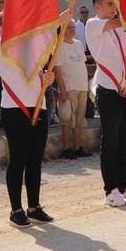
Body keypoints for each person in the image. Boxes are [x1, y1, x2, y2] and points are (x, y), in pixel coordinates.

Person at [86, 0, 126, 207]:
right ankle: (110, 190)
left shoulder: (120, 28)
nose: (114, 8)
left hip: (125, 88)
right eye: (110, 4)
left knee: (124, 139)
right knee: (109, 141)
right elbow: (118, 23)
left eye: (115, 4)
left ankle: (123, 186)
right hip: (107, 89)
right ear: (98, 6)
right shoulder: (93, 24)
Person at [0, 35, 57, 226]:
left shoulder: (32, 46)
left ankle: (34, 207)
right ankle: (16, 210)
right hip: (15, 107)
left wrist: (47, 78)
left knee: (35, 159)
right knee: (18, 159)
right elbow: (19, 71)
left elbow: (36, 72)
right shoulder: (1, 45)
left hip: (38, 105)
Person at [53, 19, 90, 158]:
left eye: (73, 27)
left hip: (81, 86)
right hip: (68, 88)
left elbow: (82, 65)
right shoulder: (58, 46)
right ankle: (66, 148)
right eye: (68, 27)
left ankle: (77, 147)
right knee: (67, 119)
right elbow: (57, 71)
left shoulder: (79, 44)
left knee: (80, 119)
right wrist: (62, 91)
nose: (71, 30)